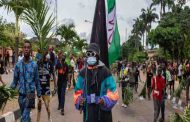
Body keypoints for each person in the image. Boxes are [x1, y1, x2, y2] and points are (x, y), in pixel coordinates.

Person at [74, 43, 119, 122]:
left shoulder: (106, 72)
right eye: (88, 54)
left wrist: (104, 100)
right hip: (88, 115)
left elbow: (114, 92)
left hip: (103, 115)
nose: (91, 56)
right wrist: (79, 100)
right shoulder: (82, 73)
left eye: (93, 54)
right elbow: (77, 91)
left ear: (97, 56)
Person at [10, 41, 42, 122]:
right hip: (21, 96)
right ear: (23, 49)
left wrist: (39, 93)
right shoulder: (18, 65)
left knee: (24, 118)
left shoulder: (34, 65)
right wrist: (8, 92)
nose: (26, 49)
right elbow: (14, 81)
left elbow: (37, 80)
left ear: (30, 50)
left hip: (30, 95)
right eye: (25, 47)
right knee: (25, 116)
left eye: (28, 47)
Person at [37, 52, 53, 121]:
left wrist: (55, 85)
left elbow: (53, 74)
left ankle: (49, 117)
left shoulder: (50, 63)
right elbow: (35, 74)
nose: (47, 57)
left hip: (47, 88)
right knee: (39, 105)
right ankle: (38, 120)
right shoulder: (38, 63)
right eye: (46, 56)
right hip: (40, 87)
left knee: (47, 105)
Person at [56, 51, 69, 115]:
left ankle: (62, 109)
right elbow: (55, 70)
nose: (62, 57)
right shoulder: (58, 64)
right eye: (61, 56)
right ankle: (59, 104)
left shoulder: (66, 65)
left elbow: (68, 74)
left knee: (62, 94)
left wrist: (68, 82)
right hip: (59, 82)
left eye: (63, 56)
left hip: (64, 82)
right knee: (59, 93)